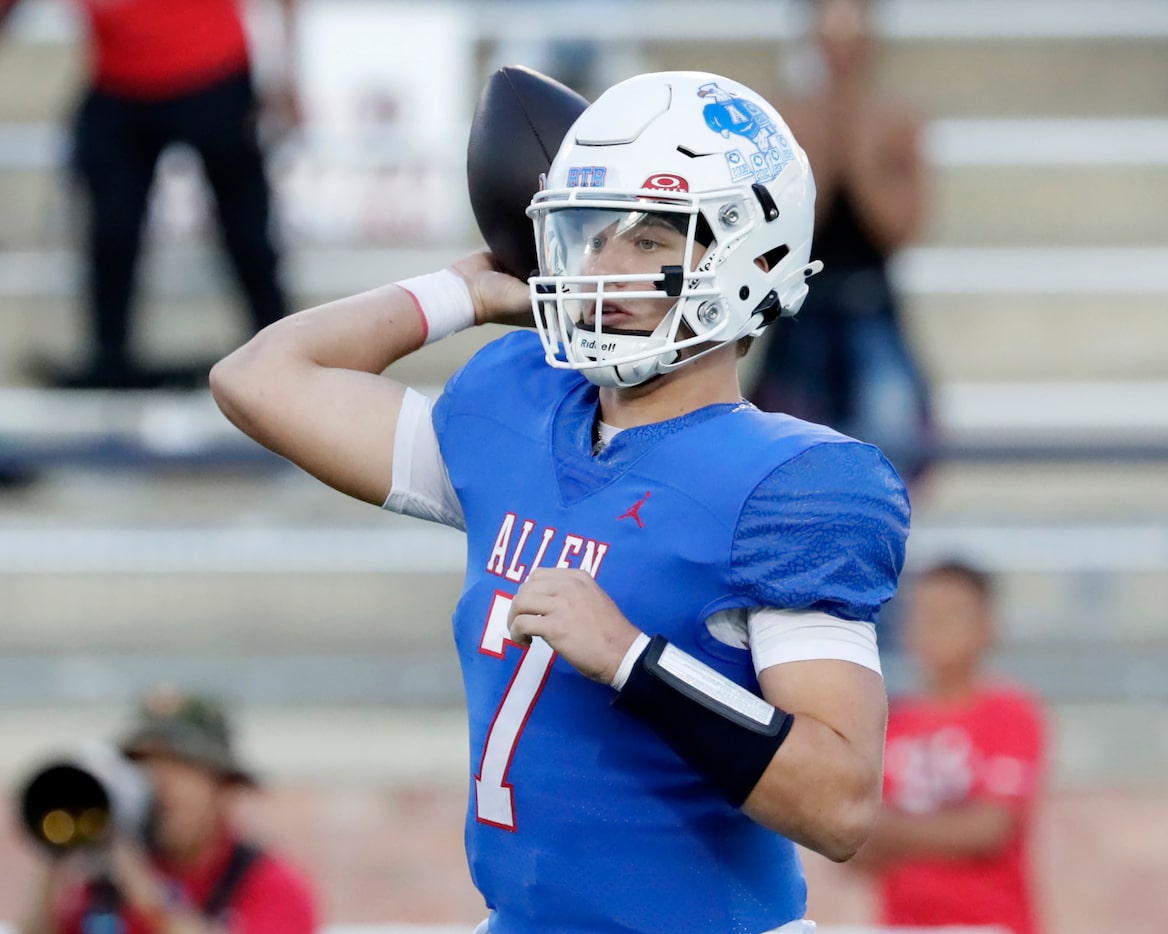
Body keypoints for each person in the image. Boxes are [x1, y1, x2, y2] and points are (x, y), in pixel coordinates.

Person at [211, 69, 910, 933]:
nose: (604, 268)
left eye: (649, 241)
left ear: (752, 255)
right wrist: (460, 292)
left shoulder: (792, 484)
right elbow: (257, 379)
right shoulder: (520, 411)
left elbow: (839, 805)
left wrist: (631, 660)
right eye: (586, 236)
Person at [0, 0, 298, 390]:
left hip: (213, 69)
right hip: (118, 80)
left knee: (245, 229)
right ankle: (110, 354)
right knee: (111, 228)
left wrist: (287, 71)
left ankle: (281, 351)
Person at [749, 0, 935, 484]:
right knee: (789, 456)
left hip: (870, 303)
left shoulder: (896, 121)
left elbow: (897, 228)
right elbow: (792, 224)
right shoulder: (786, 117)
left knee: (893, 446)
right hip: (799, 308)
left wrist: (854, 137)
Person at [18, 687, 320, 934]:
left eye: (180, 766)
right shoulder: (100, 887)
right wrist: (56, 862)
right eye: (143, 765)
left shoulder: (271, 885)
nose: (159, 783)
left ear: (224, 785)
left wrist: (144, 891)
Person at [850, 560, 1047, 934]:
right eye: (924, 613)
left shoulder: (1012, 714)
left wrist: (888, 830)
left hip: (994, 925)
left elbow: (989, 829)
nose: (934, 626)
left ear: (987, 625)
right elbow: (851, 847)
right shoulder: (887, 723)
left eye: (951, 613)